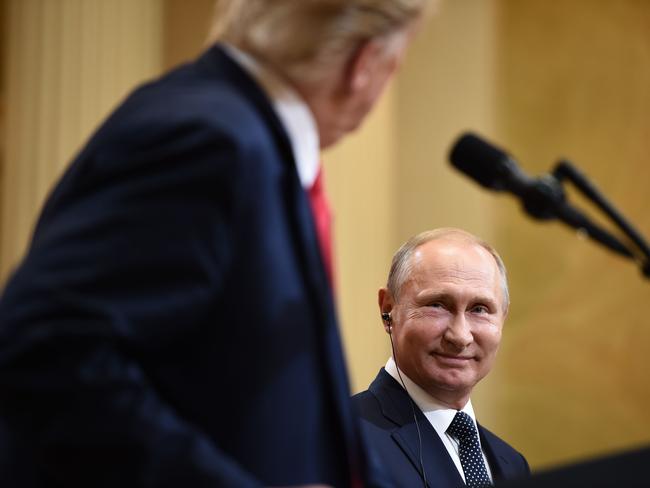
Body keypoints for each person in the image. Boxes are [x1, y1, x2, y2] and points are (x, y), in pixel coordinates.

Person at [0, 1, 431, 486]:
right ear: (364, 64)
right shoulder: (208, 138)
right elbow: (48, 354)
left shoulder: (252, 142)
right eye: (399, 63)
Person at [353, 228, 530, 487]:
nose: (460, 336)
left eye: (480, 309)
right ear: (388, 309)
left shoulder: (512, 463)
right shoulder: (340, 437)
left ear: (502, 318)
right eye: (437, 305)